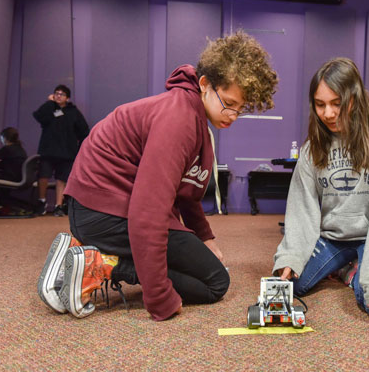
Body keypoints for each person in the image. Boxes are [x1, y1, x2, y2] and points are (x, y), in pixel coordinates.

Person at [37, 31, 278, 321]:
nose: (232, 116)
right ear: (204, 84)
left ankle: (93, 256)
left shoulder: (191, 113)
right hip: (104, 212)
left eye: (241, 110)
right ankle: (99, 263)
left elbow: (185, 191)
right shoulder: (180, 120)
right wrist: (159, 296)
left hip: (98, 207)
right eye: (228, 103)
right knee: (216, 283)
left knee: (206, 270)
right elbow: (148, 211)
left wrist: (205, 238)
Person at [272, 58, 369, 319]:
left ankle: (357, 268)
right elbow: (302, 208)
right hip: (331, 237)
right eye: (320, 104)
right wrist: (291, 255)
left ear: (354, 98)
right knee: (292, 283)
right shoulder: (311, 149)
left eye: (337, 103)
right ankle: (344, 267)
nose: (329, 113)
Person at [33, 84, 89, 217]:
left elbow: (84, 130)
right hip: (48, 150)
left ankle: (59, 205)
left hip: (67, 152)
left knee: (61, 179)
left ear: (67, 98)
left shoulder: (73, 112)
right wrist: (49, 102)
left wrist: (78, 148)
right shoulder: (50, 108)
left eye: (62, 94)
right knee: (43, 176)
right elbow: (38, 116)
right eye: (56, 93)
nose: (58, 96)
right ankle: (42, 202)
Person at [0, 127, 28, 215]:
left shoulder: (8, 149)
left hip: (9, 178)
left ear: (4, 138)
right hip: (17, 177)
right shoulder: (20, 149)